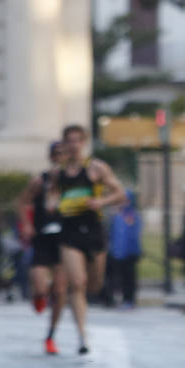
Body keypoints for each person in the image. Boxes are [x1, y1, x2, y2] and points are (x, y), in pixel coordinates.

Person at [55, 124, 126, 354]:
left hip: (93, 230)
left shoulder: (96, 168)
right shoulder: (59, 172)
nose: (74, 145)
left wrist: (100, 202)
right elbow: (52, 195)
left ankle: (88, 305)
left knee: (94, 285)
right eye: (70, 141)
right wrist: (52, 204)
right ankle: (82, 336)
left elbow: (120, 193)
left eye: (77, 140)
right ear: (65, 144)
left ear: (83, 143)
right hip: (70, 231)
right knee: (77, 283)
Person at [19, 141, 68, 354]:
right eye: (56, 154)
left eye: (63, 154)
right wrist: (27, 224)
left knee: (59, 290)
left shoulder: (74, 182)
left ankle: (51, 335)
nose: (60, 158)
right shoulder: (41, 180)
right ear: (51, 157)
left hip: (65, 240)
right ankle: (38, 295)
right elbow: (22, 202)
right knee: (41, 287)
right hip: (42, 239)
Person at [108, 190, 142, 309]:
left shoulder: (133, 216)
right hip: (117, 252)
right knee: (118, 278)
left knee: (129, 278)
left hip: (130, 253)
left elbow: (134, 235)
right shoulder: (117, 216)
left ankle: (129, 299)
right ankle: (118, 299)